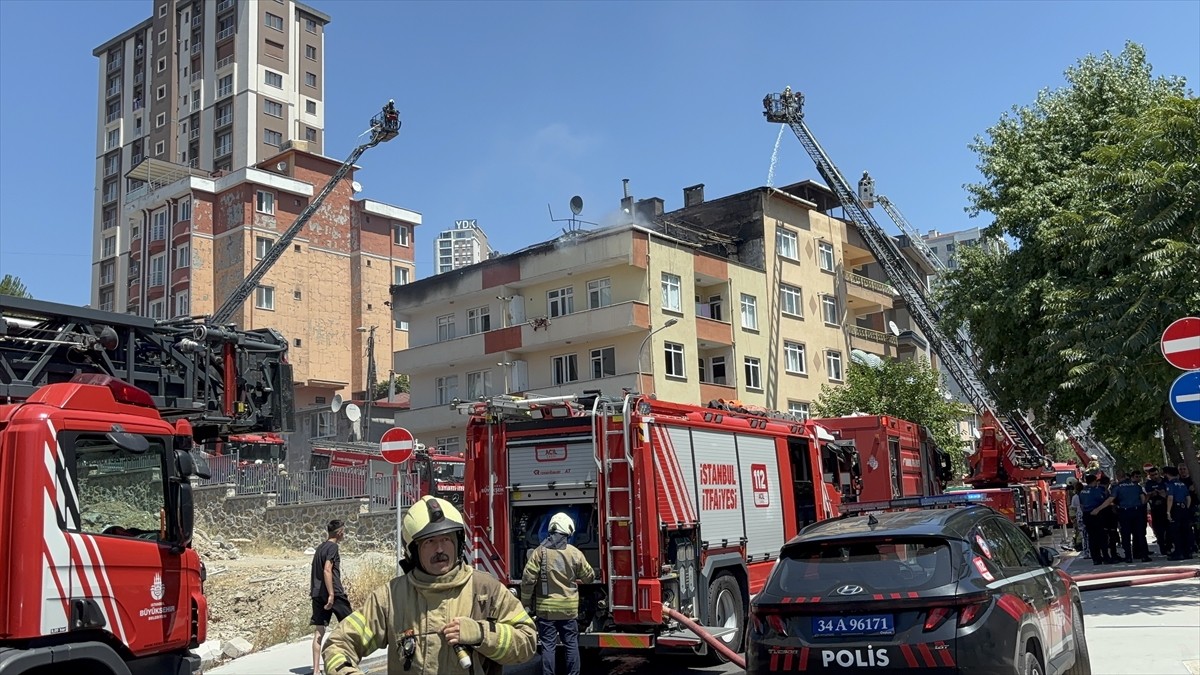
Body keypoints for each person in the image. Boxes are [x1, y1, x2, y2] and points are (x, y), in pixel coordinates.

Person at [323, 496, 536, 674]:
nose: (440, 549)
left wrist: (482, 634)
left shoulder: (486, 590)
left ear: (459, 542)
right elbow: (339, 644)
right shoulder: (391, 598)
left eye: (446, 539)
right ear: (413, 551)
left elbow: (527, 642)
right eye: (429, 542)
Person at [520, 513, 596, 675]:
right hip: (568, 611)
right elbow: (589, 578)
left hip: (545, 611)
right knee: (571, 645)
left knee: (548, 646)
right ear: (568, 530)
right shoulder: (574, 553)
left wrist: (525, 602)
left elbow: (528, 579)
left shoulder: (539, 553)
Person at [311, 520, 352, 675]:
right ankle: (351, 664)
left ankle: (316, 671)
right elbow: (327, 570)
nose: (344, 534)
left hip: (316, 594)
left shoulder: (319, 548)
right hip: (333, 593)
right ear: (339, 532)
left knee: (319, 632)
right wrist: (332, 594)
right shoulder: (333, 547)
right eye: (344, 531)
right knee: (352, 627)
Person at [1111, 470, 1152, 562]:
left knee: (1126, 535)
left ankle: (1128, 557)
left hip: (1124, 513)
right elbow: (1143, 501)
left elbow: (1111, 500)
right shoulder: (1136, 486)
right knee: (1140, 534)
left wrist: (1098, 509)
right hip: (1137, 512)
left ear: (1118, 477)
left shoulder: (1117, 487)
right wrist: (1148, 496)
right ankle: (1144, 555)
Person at [1081, 474, 1114, 565]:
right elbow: (1105, 501)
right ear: (1094, 481)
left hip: (1087, 515)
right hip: (1097, 514)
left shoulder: (1082, 491)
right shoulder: (1096, 491)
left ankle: (1096, 559)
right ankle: (1106, 557)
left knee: (1092, 538)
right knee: (1102, 537)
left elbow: (1082, 505)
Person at [1164, 466, 1195, 561]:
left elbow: (1170, 498)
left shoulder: (1170, 484)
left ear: (1167, 474)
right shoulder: (1182, 484)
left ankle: (1179, 552)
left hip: (1175, 508)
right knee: (1186, 530)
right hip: (1184, 508)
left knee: (1176, 531)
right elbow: (1188, 498)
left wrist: (1168, 511)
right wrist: (1186, 508)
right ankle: (1188, 552)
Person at [1144, 464, 1172, 557]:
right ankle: (1162, 548)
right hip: (1155, 509)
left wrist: (1163, 493)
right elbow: (1147, 496)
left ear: (1159, 473)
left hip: (1166, 508)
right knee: (1159, 530)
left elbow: (1169, 493)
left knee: (1169, 530)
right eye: (1152, 475)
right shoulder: (1149, 484)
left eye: (1156, 474)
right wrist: (1152, 494)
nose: (1154, 477)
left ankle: (1168, 547)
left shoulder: (1165, 481)